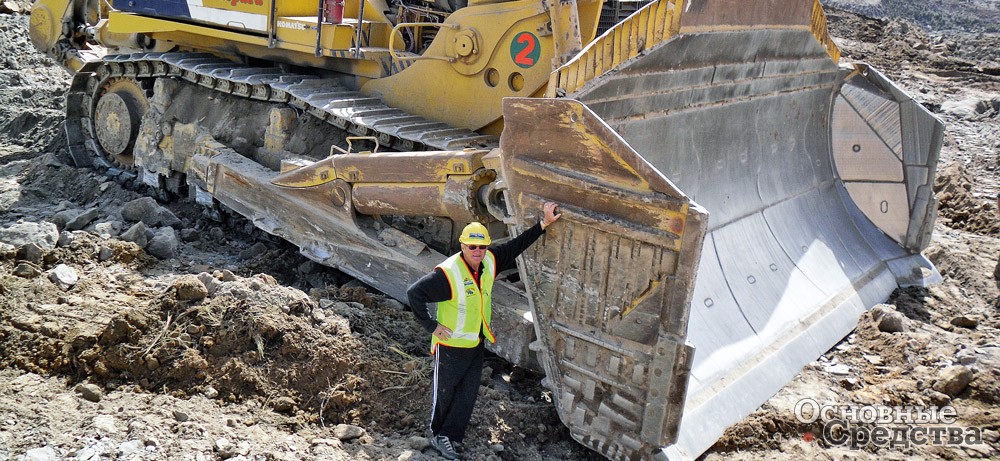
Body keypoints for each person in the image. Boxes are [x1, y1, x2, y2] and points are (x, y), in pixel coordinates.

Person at [406, 202, 561, 460]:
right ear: (463, 246)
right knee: (444, 394)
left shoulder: (489, 262)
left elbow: (516, 246)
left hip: (476, 343)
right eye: (472, 247)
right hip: (451, 345)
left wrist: (543, 224)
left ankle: (452, 438)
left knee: (467, 396)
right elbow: (414, 293)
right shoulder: (448, 273)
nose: (478, 252)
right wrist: (432, 326)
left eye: (482, 246)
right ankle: (437, 434)